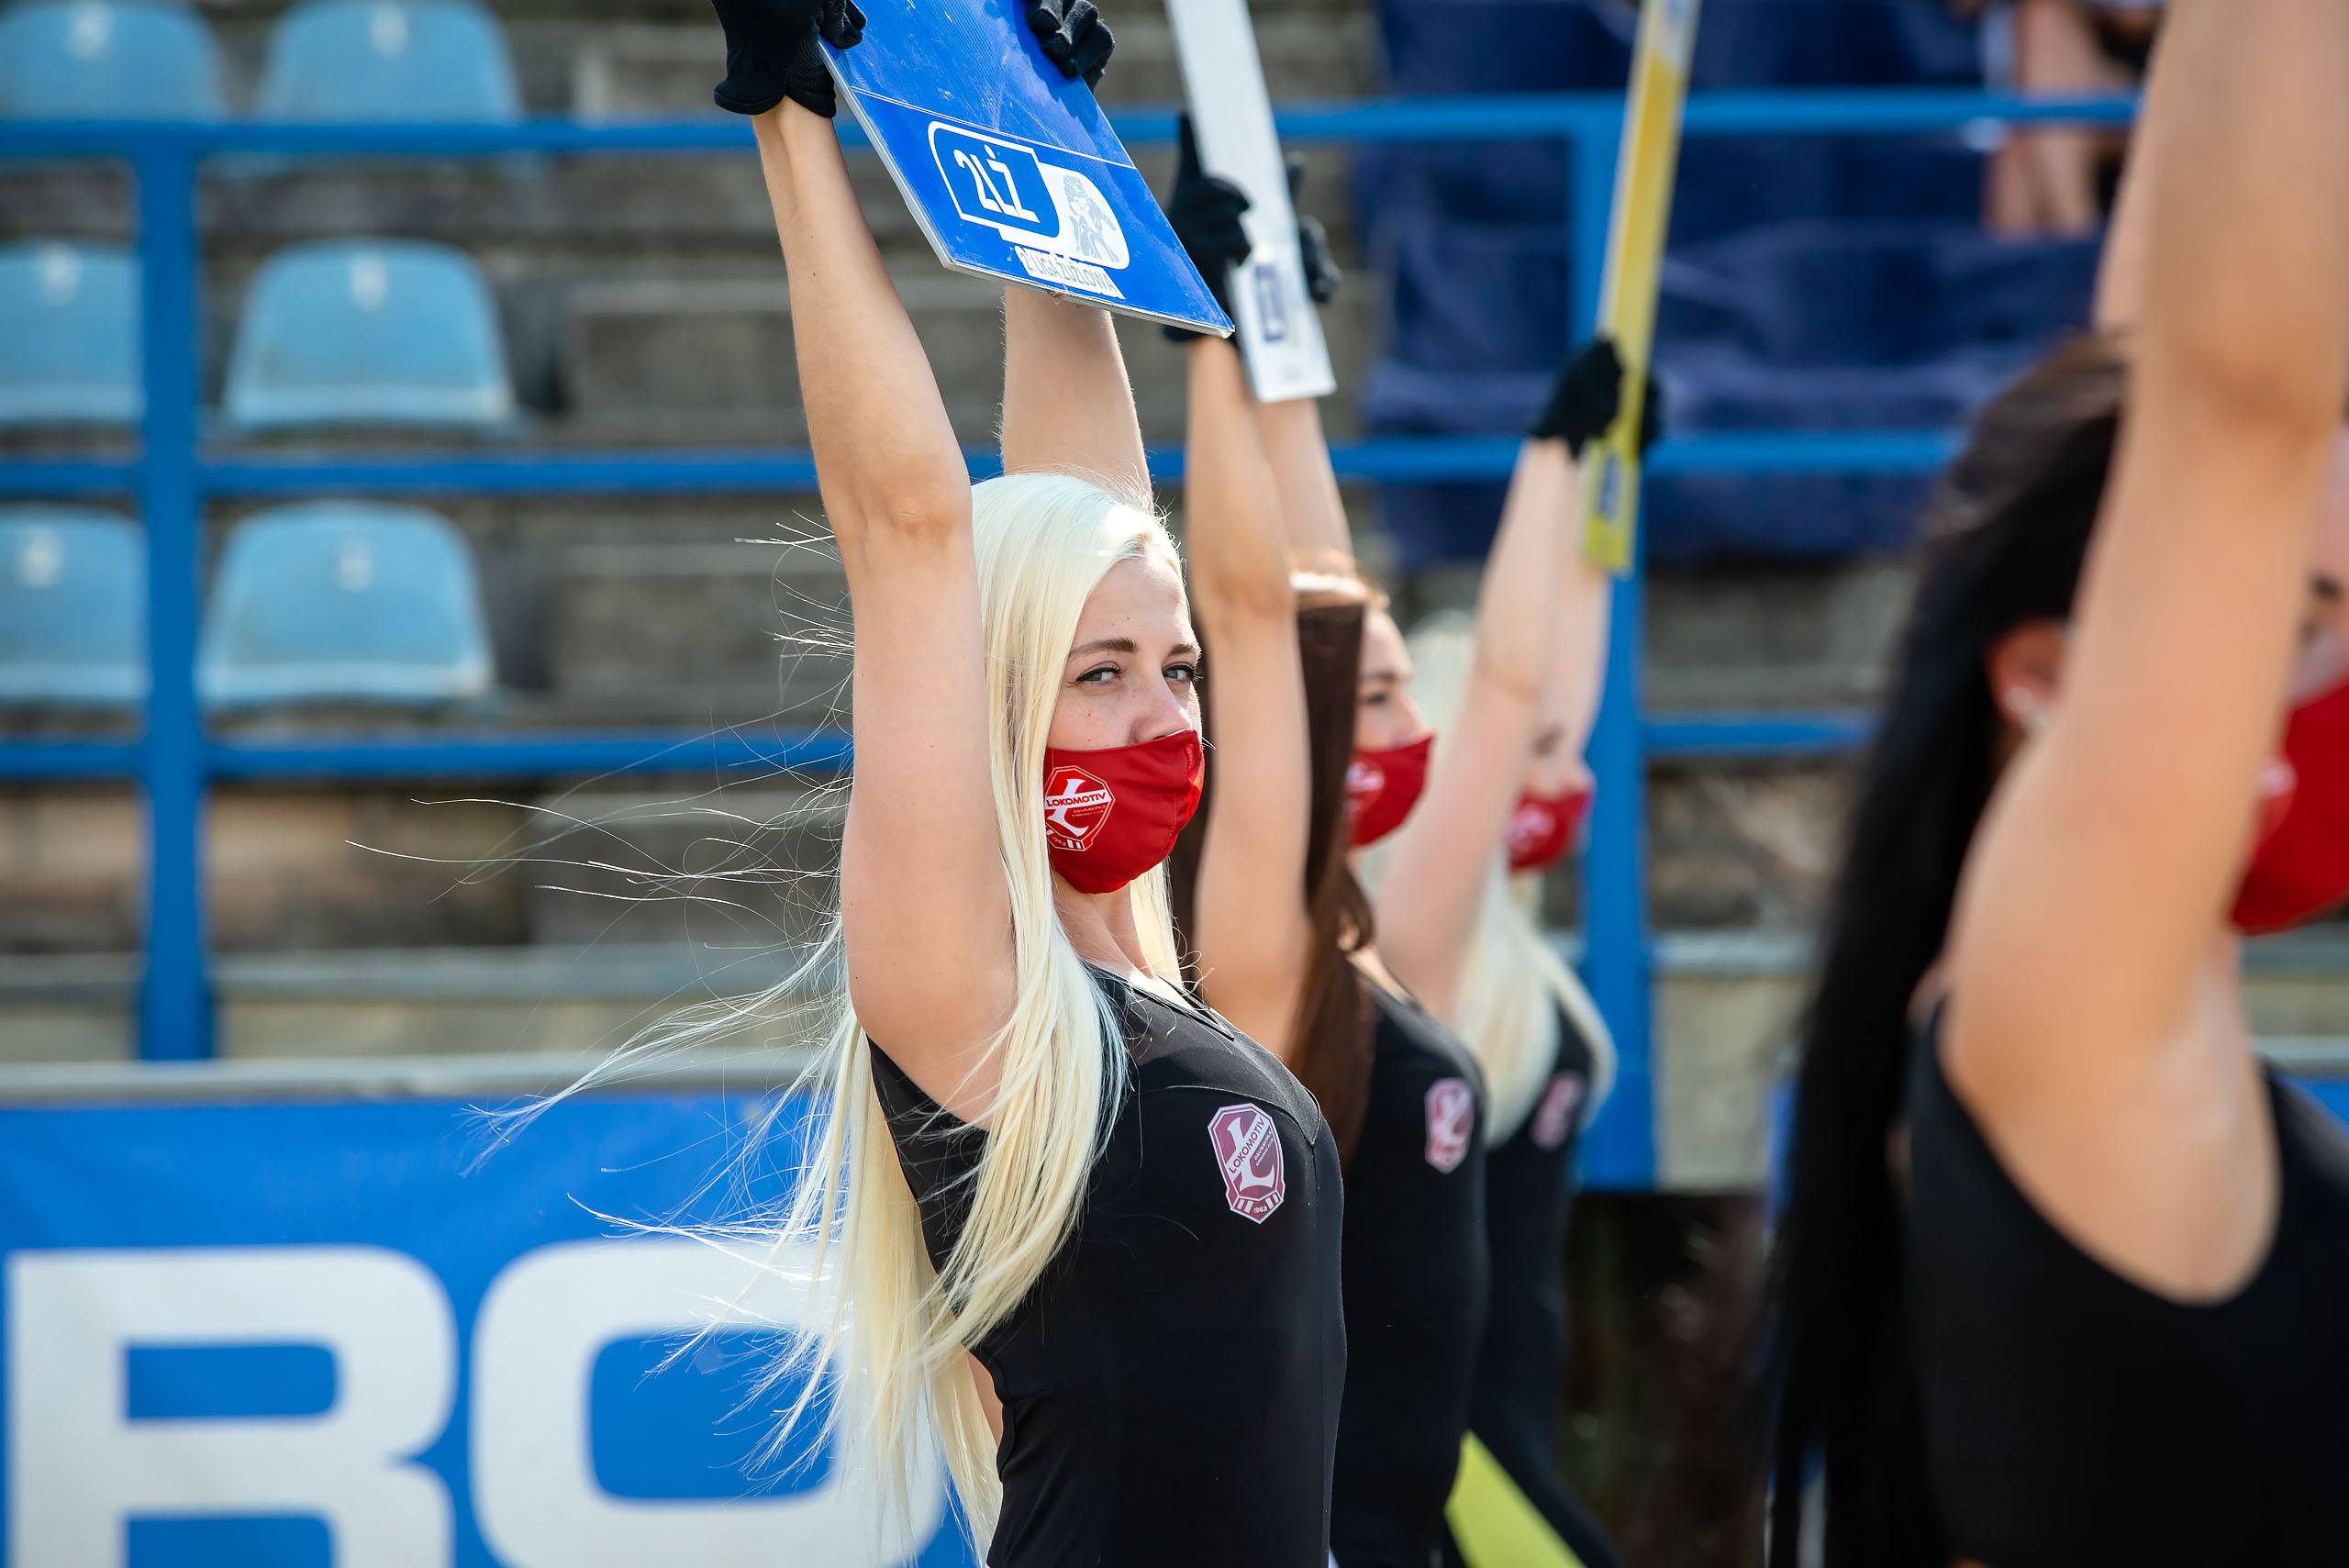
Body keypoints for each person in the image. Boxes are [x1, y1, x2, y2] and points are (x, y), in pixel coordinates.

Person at [696, 3, 1345, 1562]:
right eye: (1099, 676)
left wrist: (1041, 126)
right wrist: (792, 123)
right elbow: (913, 526)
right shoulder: (982, 995)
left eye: (1177, 669)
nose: (1157, 711)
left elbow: (1091, 515)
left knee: (1104, 548)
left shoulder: (1133, 956)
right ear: (996, 701)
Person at [1762, 3, 2349, 1562]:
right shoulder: (2061, 1007)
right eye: (2311, 614)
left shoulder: (2143, 1013)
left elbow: (2167, 359)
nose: (2321, 667)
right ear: (2040, 676)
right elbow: (2234, 400)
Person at [1163, 134, 1488, 1568]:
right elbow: (1255, 617)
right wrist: (1210, 340)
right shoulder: (1265, 950)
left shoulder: (1346, 932)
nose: (1409, 718)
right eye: (1375, 696)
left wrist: (1282, 348)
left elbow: (1316, 599)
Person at [1364, 339, 1653, 1568]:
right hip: (1443, 1443)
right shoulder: (1417, 952)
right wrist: (1545, 464)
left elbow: (1547, 688)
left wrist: (1606, 489)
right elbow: (1506, 686)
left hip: (1510, 1421)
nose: (1569, 773)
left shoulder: (1508, 939)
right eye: (1535, 755)